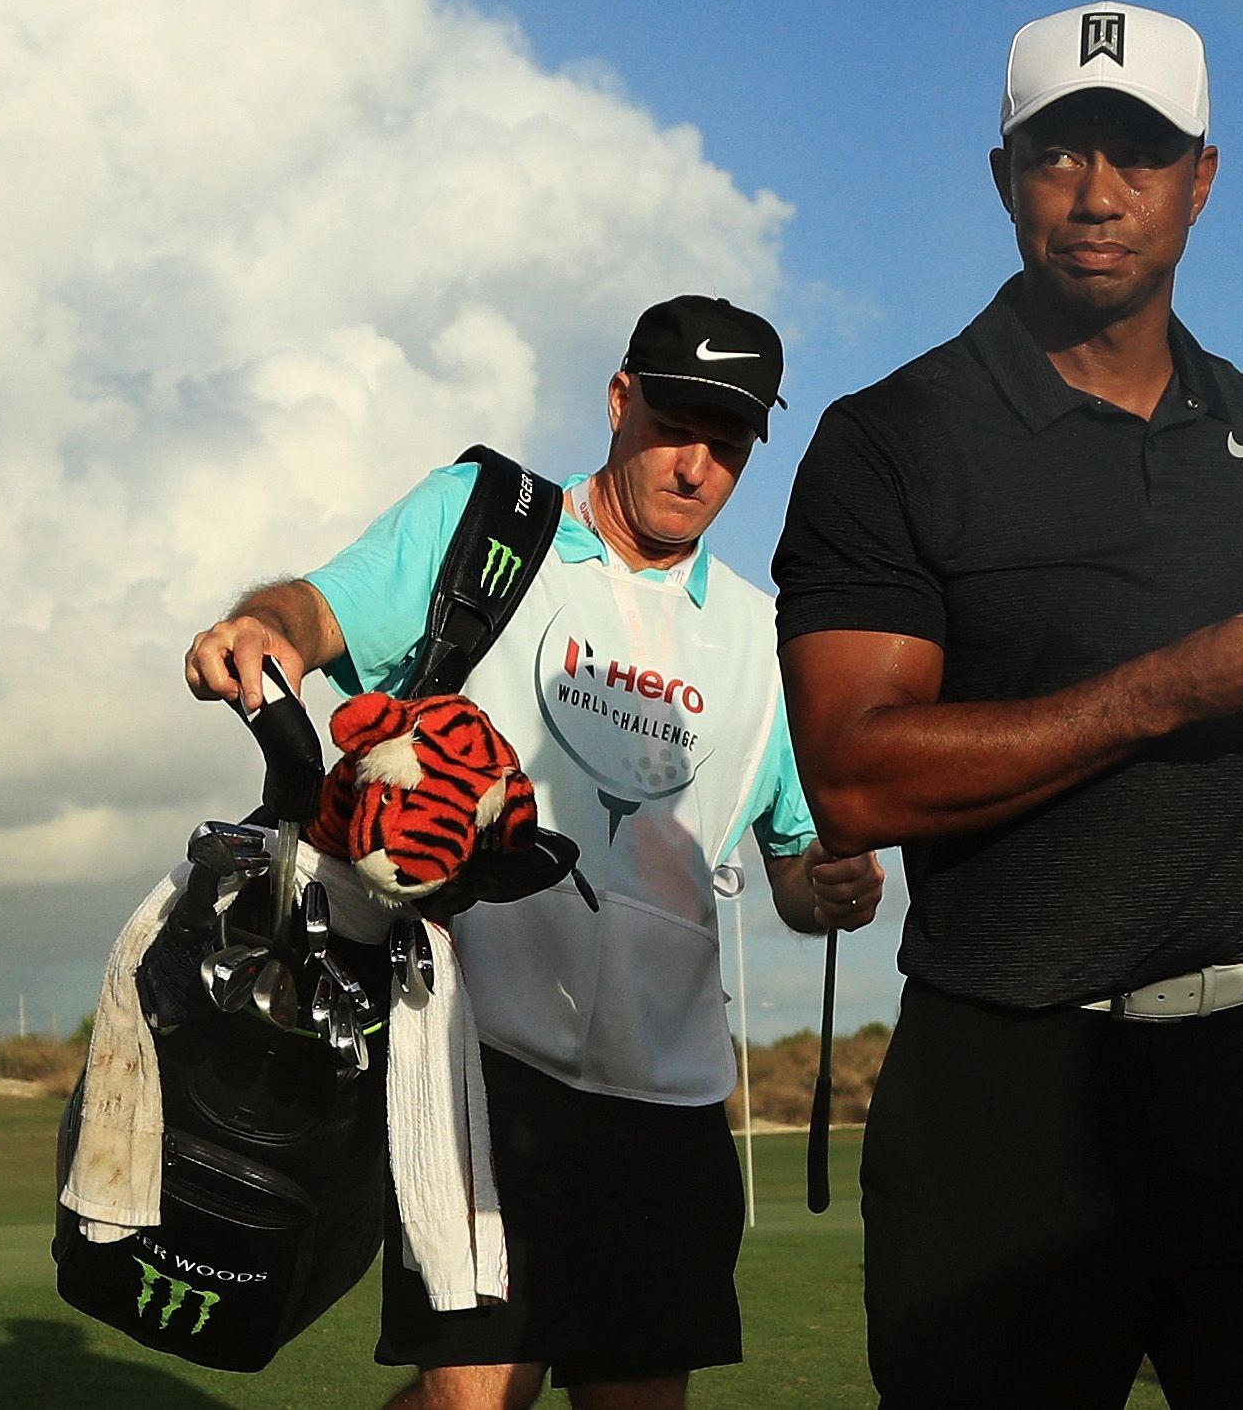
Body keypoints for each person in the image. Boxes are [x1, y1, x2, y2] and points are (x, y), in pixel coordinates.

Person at [774, 2, 1243, 1409]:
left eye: (1137, 155)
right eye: (1057, 153)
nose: (1095, 194)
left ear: (1200, 181)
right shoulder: (886, 439)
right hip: (998, 1094)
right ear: (1001, 177)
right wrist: (1164, 686)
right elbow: (853, 780)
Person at [181, 297, 886, 1410]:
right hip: (475, 1056)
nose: (698, 463)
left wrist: (829, 885)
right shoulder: (488, 519)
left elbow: (796, 868)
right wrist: (264, 628)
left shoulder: (764, 639)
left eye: (730, 440)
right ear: (618, 401)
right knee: (476, 1396)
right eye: (676, 422)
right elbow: (317, 608)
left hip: (673, 1091)